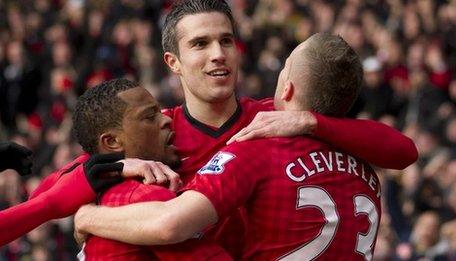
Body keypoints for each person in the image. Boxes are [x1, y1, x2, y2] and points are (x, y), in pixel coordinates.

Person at [9, 0, 416, 252]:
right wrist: (112, 168)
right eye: (200, 44)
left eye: (226, 41)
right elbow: (51, 192)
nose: (218, 54)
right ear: (174, 63)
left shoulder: (273, 122)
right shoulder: (153, 132)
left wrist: (312, 120)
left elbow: (401, 150)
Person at [74, 33, 385, 260]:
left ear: (286, 87)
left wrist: (87, 217)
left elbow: (170, 225)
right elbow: (405, 151)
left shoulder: (257, 150)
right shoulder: (366, 168)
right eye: (201, 43)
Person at [71, 78, 230, 260]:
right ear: (112, 142)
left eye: (160, 111)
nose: (166, 119)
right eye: (149, 116)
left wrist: (85, 216)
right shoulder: (147, 200)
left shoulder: (98, 197)